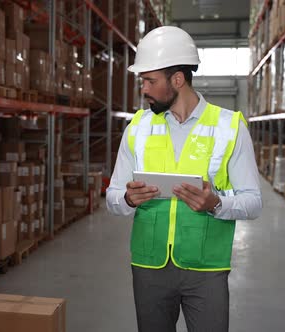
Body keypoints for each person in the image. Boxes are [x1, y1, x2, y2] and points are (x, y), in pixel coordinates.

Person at [106, 26, 262, 332]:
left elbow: (253, 202)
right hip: (149, 266)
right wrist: (126, 199)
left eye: (150, 80)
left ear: (177, 79)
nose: (144, 89)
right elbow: (112, 196)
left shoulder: (229, 127)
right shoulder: (137, 128)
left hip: (206, 268)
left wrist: (216, 203)